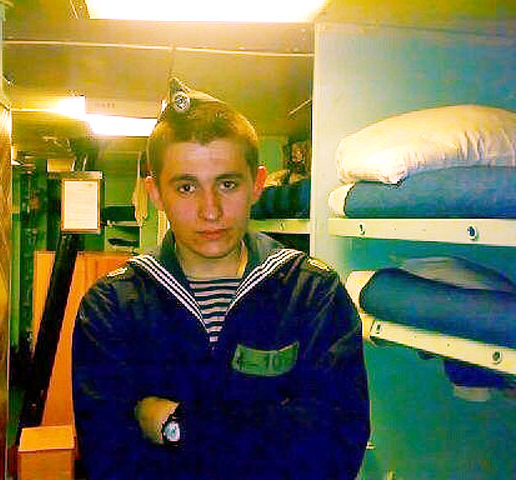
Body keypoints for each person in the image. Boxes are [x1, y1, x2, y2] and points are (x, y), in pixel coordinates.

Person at [72, 78, 370, 479]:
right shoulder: (113, 306)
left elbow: (331, 450)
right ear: (155, 193)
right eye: (186, 187)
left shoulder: (312, 293)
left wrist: (176, 427)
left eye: (227, 184)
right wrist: (272, 424)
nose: (210, 210)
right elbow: (108, 459)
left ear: (257, 184)